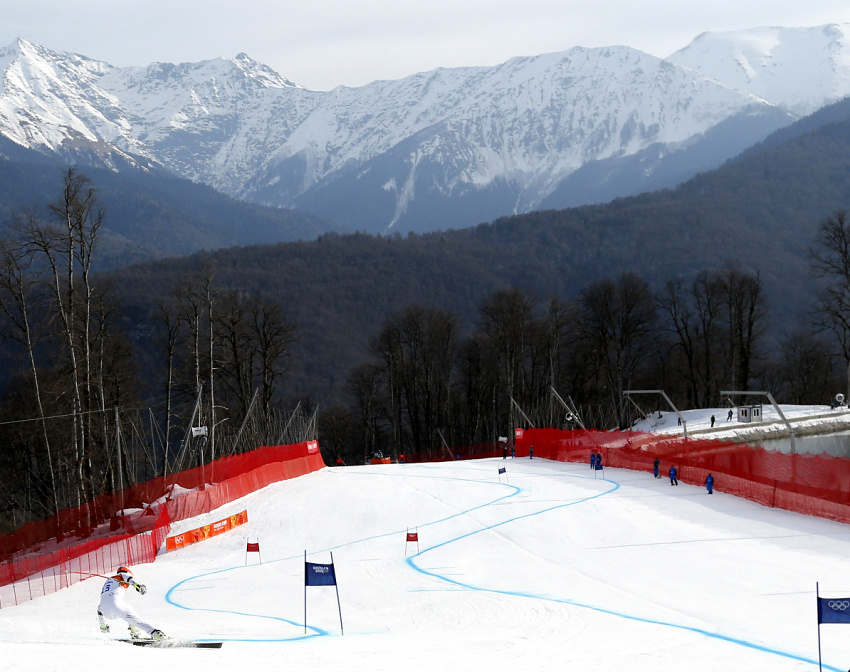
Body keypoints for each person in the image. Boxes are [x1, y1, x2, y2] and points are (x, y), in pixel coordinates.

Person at [97, 566, 166, 640]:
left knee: (127, 608)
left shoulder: (109, 580)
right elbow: (130, 579)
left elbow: (100, 609)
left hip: (104, 611)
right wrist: (138, 586)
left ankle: (104, 627)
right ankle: (155, 634)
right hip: (116, 605)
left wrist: (103, 624)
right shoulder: (123, 575)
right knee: (136, 620)